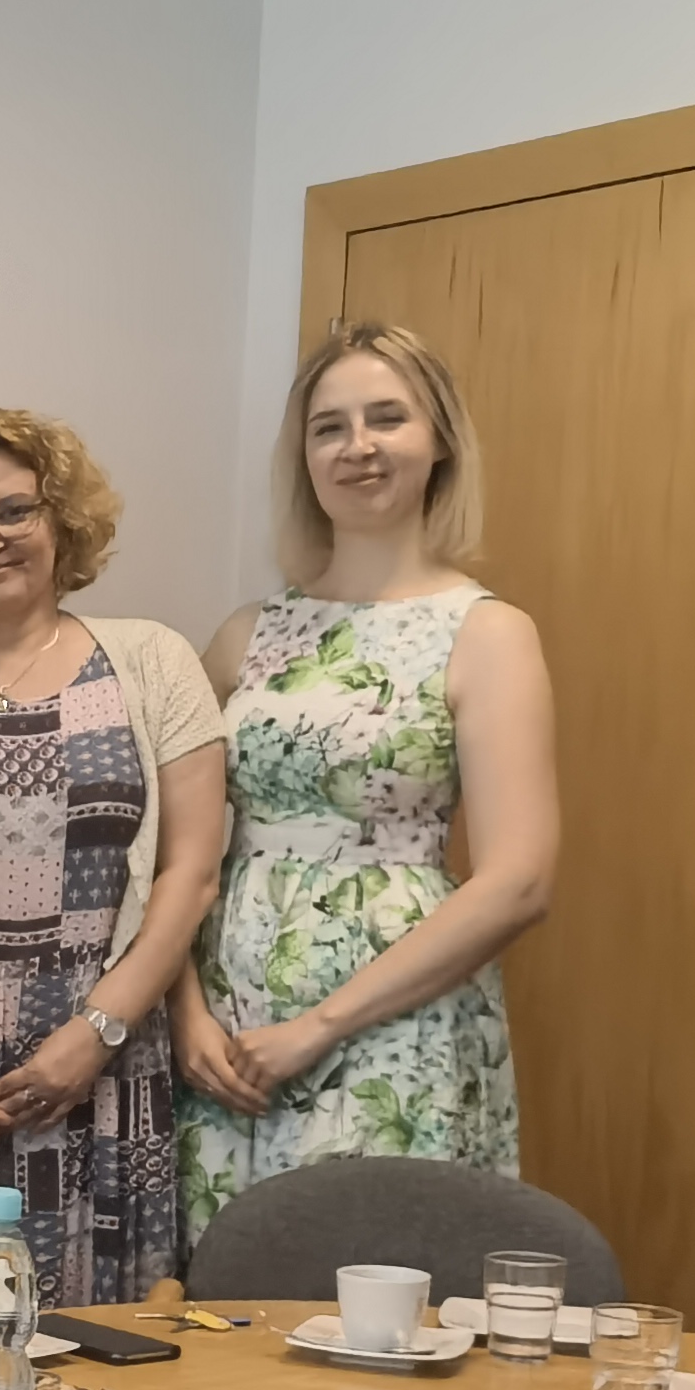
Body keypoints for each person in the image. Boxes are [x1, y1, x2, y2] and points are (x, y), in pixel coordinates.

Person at [177, 322, 554, 1237]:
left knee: (366, 1275)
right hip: (226, 1033)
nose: (359, 446)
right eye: (330, 427)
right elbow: (165, 845)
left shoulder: (487, 633)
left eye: (388, 418)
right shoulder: (246, 634)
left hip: (391, 1028)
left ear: (441, 441)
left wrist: (320, 1026)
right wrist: (184, 1013)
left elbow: (520, 880)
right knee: (222, 1282)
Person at [0, 403, 229, 1307]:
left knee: (105, 1356)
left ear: (60, 518)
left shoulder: (154, 661)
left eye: (13, 511)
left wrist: (95, 1034)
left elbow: (190, 873)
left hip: (106, 1078)